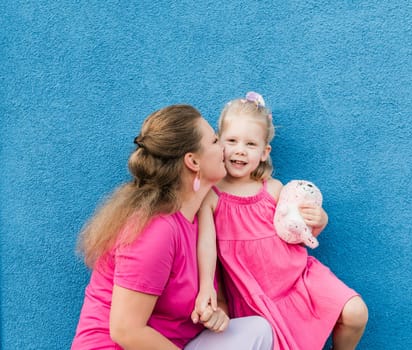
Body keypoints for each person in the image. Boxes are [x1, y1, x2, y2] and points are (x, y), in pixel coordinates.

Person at [71, 104, 273, 350]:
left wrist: (217, 315)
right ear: (193, 161)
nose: (224, 148)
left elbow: (217, 300)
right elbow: (126, 331)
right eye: (214, 141)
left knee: (257, 330)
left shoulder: (201, 220)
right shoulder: (156, 230)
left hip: (177, 344)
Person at [194, 92, 368, 350]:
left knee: (356, 312)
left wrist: (320, 219)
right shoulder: (211, 196)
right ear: (219, 143)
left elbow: (298, 228)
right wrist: (206, 284)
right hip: (255, 295)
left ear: (264, 152)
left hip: (299, 280)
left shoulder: (273, 189)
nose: (240, 150)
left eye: (250, 145)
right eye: (232, 141)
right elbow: (206, 244)